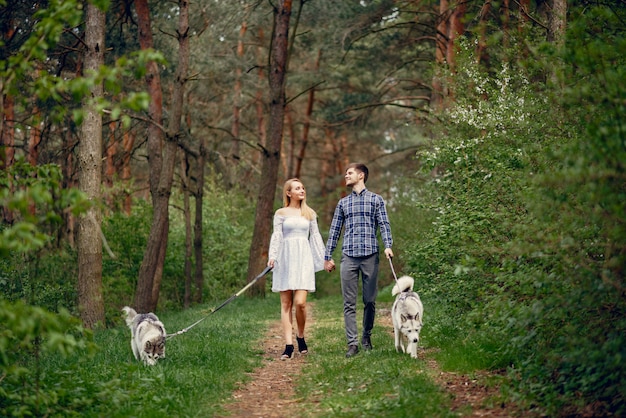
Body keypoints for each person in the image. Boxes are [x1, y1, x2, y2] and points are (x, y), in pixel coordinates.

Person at [324, 163, 393, 358]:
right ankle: (352, 344)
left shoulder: (376, 200)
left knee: (369, 301)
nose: (346, 176)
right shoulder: (342, 203)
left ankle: (366, 336)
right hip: (349, 256)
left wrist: (388, 245)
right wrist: (327, 256)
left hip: (370, 255)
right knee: (349, 302)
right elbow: (335, 231)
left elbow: (384, 225)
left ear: (361, 175)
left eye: (350, 173)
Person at [268, 178, 325, 360]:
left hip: (303, 259)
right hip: (285, 258)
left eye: (302, 188)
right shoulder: (281, 213)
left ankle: (300, 336)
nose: (302, 190)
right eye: (297, 188)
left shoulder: (309, 213)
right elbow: (277, 235)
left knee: (300, 302)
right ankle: (288, 345)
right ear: (288, 193)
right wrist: (272, 256)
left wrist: (325, 259)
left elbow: (315, 237)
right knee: (286, 304)